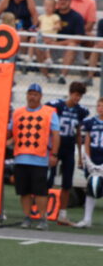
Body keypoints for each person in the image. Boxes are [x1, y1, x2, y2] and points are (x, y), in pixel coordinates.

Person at [8, 83, 60, 230]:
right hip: (21, 157)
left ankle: (43, 218)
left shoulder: (49, 112)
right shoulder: (17, 113)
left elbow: (56, 135)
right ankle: (27, 216)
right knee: (23, 191)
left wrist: (54, 154)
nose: (32, 97)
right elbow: (10, 132)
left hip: (40, 158)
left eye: (35, 94)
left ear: (40, 96)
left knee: (40, 191)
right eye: (30, 94)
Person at [46, 81, 88, 225]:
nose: (77, 98)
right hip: (55, 147)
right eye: (76, 95)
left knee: (67, 182)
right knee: (48, 179)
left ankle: (62, 214)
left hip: (69, 148)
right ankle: (42, 210)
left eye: (80, 96)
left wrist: (80, 155)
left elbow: (78, 133)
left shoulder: (80, 111)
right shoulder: (57, 106)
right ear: (70, 93)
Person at [75, 96, 103, 228]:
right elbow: (87, 142)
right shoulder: (90, 122)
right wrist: (88, 160)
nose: (101, 108)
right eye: (99, 105)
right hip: (93, 159)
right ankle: (87, 219)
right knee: (91, 188)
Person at [49, 0, 86, 85]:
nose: (62, 2)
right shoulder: (52, 15)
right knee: (39, 42)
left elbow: (79, 39)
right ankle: (46, 76)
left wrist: (59, 43)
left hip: (70, 49)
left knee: (72, 45)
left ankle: (62, 76)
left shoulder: (77, 17)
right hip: (53, 46)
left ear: (70, 1)